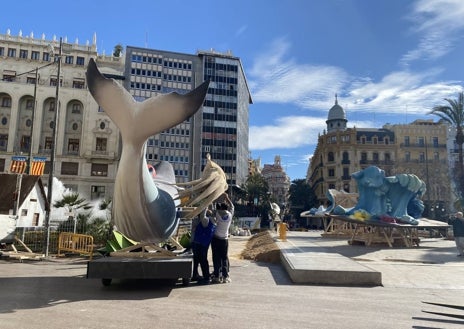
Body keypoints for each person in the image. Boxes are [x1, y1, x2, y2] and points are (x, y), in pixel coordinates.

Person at [211, 193, 234, 283]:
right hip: (224, 240)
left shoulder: (217, 214)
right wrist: (227, 198)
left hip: (216, 239)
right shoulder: (230, 215)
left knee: (216, 257)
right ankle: (225, 277)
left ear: (220, 208)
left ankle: (217, 276)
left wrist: (214, 199)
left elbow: (212, 209)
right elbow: (232, 206)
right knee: (224, 258)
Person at [191, 208, 216, 284]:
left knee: (202, 260)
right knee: (199, 259)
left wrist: (205, 206)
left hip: (200, 243)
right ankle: (196, 275)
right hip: (203, 243)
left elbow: (202, 216)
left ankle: (206, 278)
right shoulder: (212, 221)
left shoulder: (206, 221)